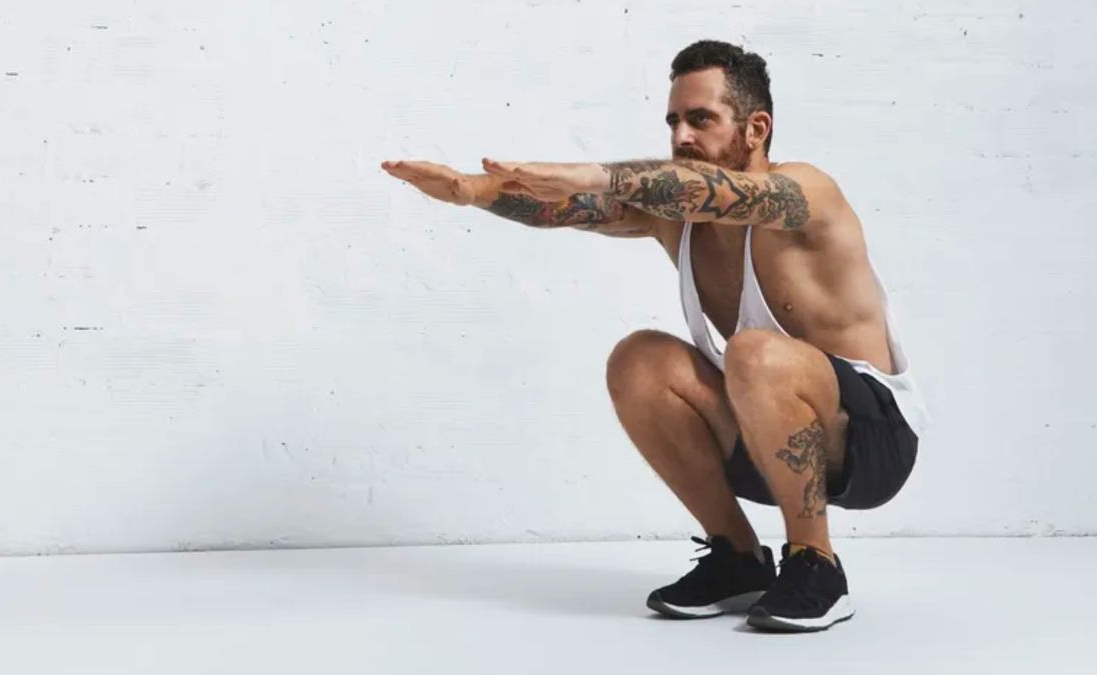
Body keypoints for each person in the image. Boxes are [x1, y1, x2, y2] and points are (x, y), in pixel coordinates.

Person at [381, 39, 928, 633]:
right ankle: (738, 559)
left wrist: (596, 172)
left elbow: (704, 191)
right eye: (674, 121)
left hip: (872, 442)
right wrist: (472, 191)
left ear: (755, 128)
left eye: (702, 119)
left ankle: (816, 564)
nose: (682, 135)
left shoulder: (802, 193)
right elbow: (563, 206)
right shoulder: (674, 217)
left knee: (754, 351)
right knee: (638, 359)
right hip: (767, 430)